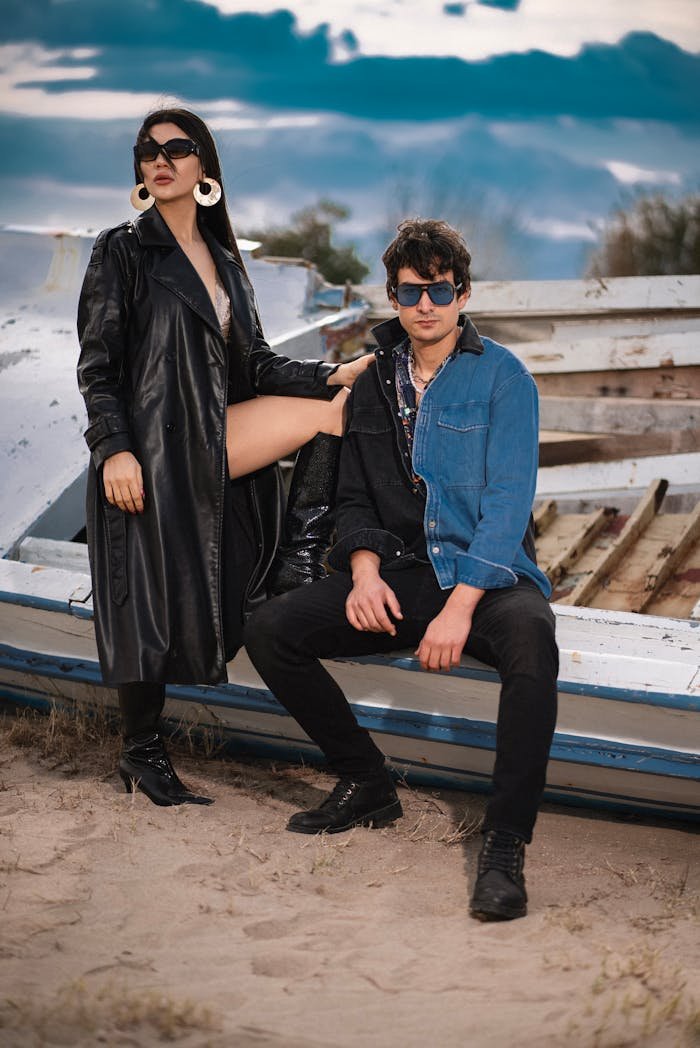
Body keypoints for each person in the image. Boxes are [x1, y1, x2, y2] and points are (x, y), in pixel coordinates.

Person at [244, 219, 559, 922]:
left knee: (534, 647)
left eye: (439, 289)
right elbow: (354, 498)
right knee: (271, 630)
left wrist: (461, 608)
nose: (426, 304)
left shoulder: (505, 377)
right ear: (393, 295)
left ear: (462, 293)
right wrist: (362, 572)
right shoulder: (372, 385)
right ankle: (366, 782)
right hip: (404, 573)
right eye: (411, 291)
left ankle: (505, 845)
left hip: (491, 575)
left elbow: (509, 505)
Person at [77, 108, 372, 807]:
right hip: (148, 451)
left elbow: (260, 366)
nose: (162, 160)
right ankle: (142, 754)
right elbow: (98, 366)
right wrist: (113, 450)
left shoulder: (227, 262)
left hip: (207, 438)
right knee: (144, 600)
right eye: (149, 151)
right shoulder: (121, 250)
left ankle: (301, 556)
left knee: (336, 410)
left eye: (179, 149)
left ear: (205, 167)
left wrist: (332, 373)